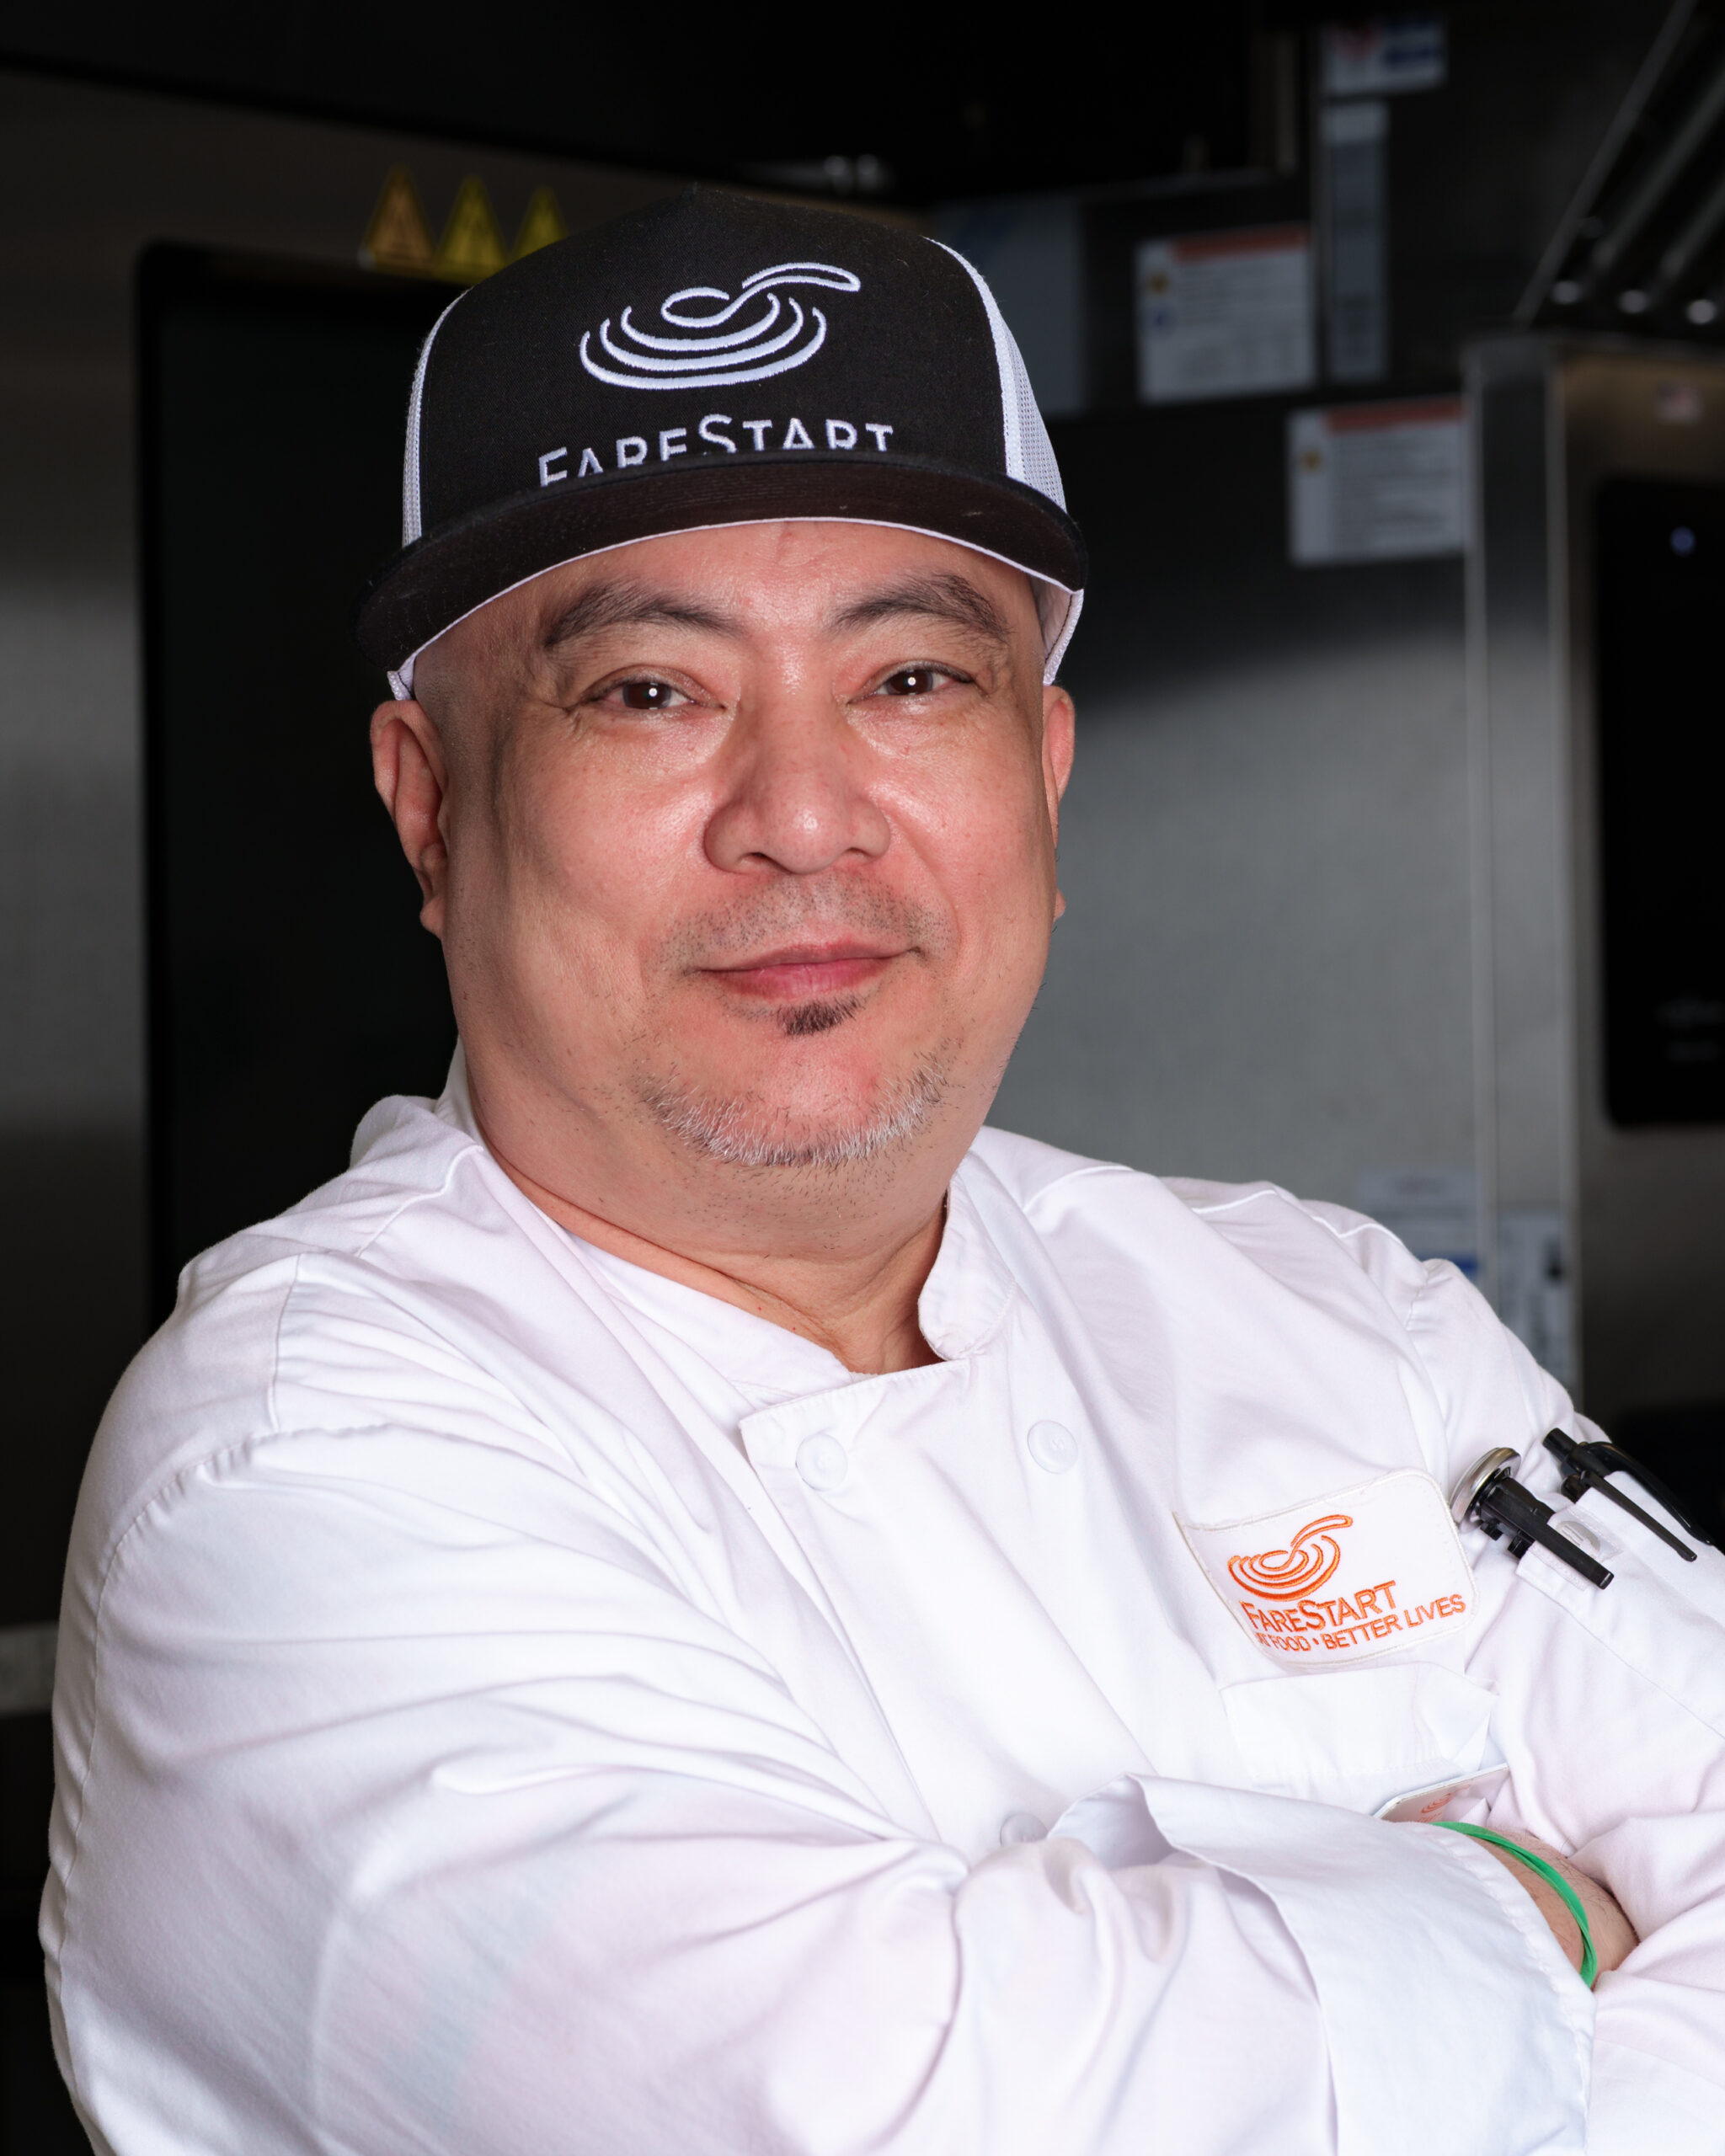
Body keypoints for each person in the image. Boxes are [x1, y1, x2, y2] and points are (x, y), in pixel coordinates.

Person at [45, 190, 1723, 2155]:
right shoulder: (297, 1469)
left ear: (1047, 766)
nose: (805, 815)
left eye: (913, 678)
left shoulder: (1327, 1310)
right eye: (648, 690)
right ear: (429, 806)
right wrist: (1534, 1907)